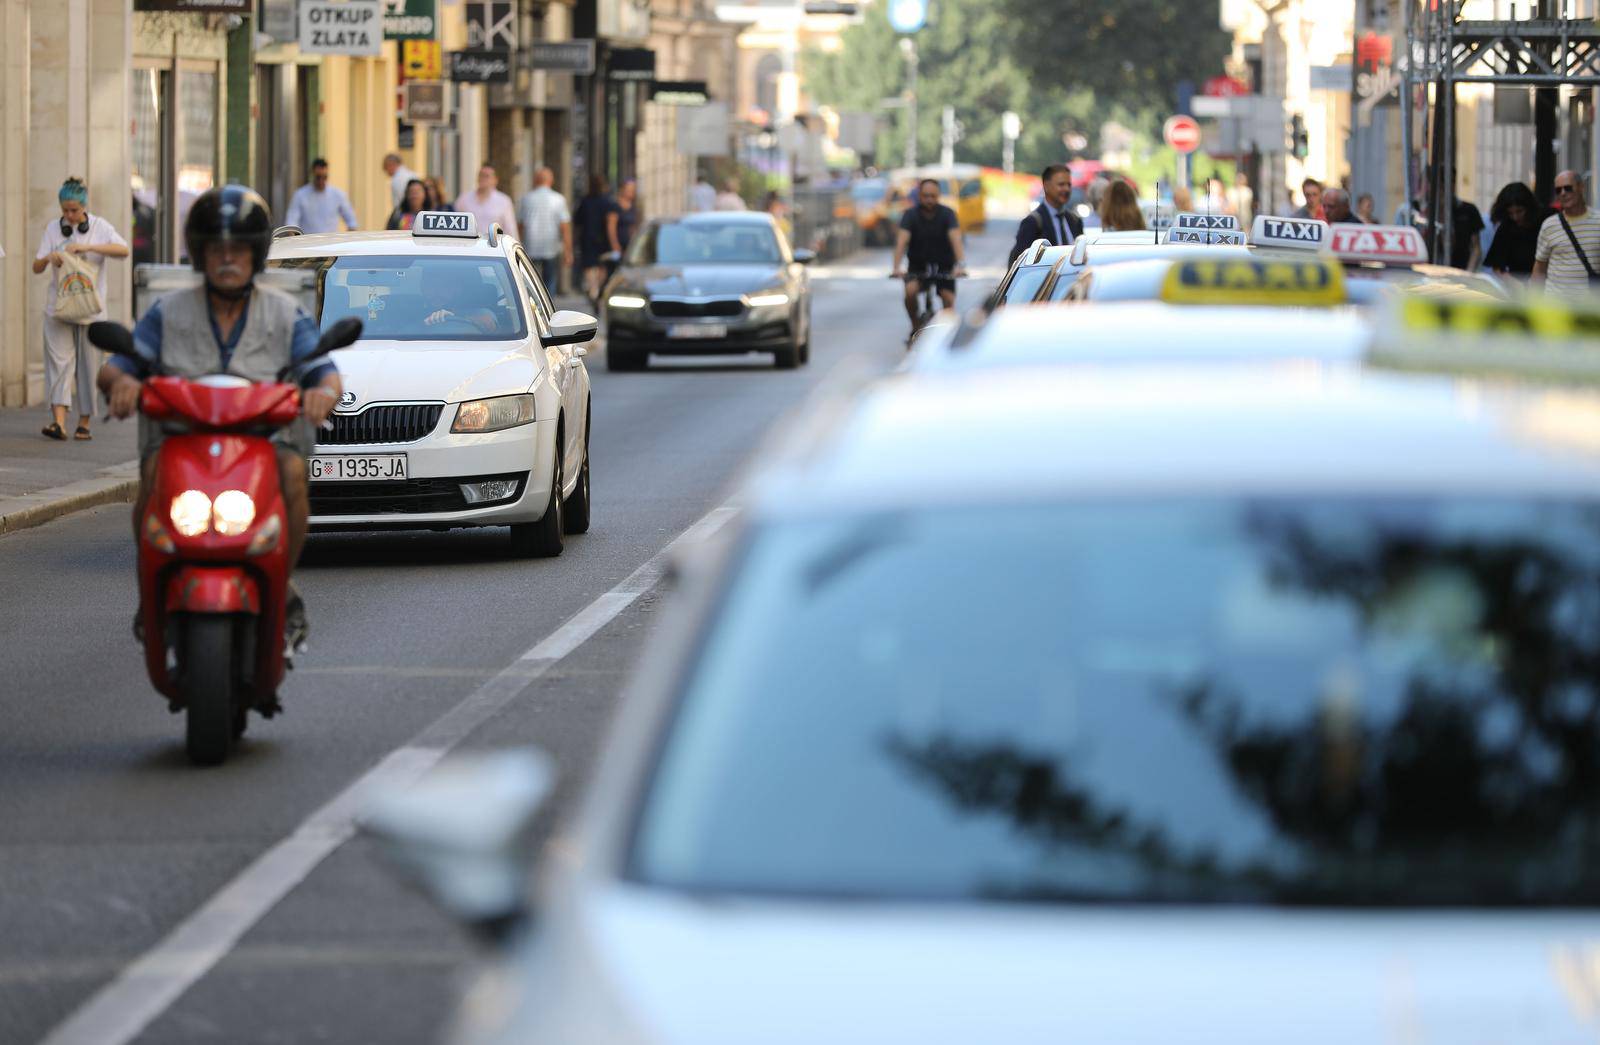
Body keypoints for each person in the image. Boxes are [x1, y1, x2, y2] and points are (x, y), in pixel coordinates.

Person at [98, 184, 341, 633]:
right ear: (199, 255)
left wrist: (323, 391)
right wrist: (124, 383)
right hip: (180, 436)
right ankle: (150, 590)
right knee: (151, 480)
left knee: (292, 475)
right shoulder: (168, 311)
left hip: (264, 439)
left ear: (255, 255)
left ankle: (283, 585)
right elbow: (118, 364)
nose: (227, 259)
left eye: (238, 250)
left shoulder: (286, 312)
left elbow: (322, 369)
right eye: (216, 250)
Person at [32, 176, 129, 442]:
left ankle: (84, 423)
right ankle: (59, 422)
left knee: (89, 367)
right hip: (58, 308)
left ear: (85, 207)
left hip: (90, 310)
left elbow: (123, 250)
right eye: (65, 210)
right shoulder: (53, 229)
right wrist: (48, 258)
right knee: (58, 364)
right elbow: (36, 266)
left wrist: (88, 246)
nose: (69, 216)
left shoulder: (100, 227)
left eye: (74, 210)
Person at [892, 178, 966, 334]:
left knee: (948, 299)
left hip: (944, 266)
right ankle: (914, 324)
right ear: (919, 196)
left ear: (938, 196)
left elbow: (956, 240)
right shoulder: (910, 215)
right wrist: (896, 267)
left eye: (933, 196)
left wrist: (960, 265)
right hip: (917, 266)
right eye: (926, 196)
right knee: (910, 292)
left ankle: (946, 332)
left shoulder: (948, 214)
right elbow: (901, 242)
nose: (929, 200)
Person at [1534, 170, 1600, 298]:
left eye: (1568, 188)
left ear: (1581, 187)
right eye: (1558, 190)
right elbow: (1539, 269)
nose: (1563, 193)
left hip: (1590, 308)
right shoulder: (1549, 225)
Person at [1009, 164, 1081, 265]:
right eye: (1061, 184)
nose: (1066, 189)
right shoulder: (1032, 222)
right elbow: (1020, 264)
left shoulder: (1075, 220)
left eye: (1069, 185)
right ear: (1046, 186)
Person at [517, 166, 572, 292]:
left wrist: (518, 245)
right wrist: (568, 252)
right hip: (551, 246)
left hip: (530, 246)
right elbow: (564, 227)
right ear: (551, 180)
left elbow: (520, 226)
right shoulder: (559, 199)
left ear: (535, 180)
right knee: (549, 282)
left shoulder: (526, 199)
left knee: (530, 281)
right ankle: (549, 309)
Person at [573, 174, 621, 303]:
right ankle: (598, 288)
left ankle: (592, 288)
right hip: (603, 239)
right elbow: (611, 225)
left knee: (589, 265)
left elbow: (578, 222)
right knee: (602, 265)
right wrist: (614, 243)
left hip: (587, 238)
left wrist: (575, 240)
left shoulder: (585, 201)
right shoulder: (608, 202)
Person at [1483, 181, 1543, 279]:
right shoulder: (1506, 227)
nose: (1515, 217)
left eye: (1519, 211)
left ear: (1529, 207)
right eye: (1510, 213)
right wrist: (1514, 284)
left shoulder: (1544, 221)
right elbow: (1497, 266)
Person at [284, 158, 357, 234]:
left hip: (331, 243)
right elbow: (291, 224)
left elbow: (352, 223)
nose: (321, 181)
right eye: (318, 177)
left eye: (324, 177)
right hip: (308, 243)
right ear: (312, 174)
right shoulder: (300, 195)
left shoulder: (338, 195)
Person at [454, 164, 519, 236]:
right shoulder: (464, 198)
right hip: (468, 245)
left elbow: (510, 229)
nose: (483, 178)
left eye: (487, 176)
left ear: (495, 180)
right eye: (481, 175)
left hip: (493, 245)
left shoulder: (504, 201)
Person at [1450, 196, 1485, 271]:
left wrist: (1469, 270)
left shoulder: (1469, 210)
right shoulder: (1433, 210)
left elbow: (1476, 247)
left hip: (1463, 266)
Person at [614, 179, 640, 256]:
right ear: (623, 190)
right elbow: (611, 228)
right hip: (618, 246)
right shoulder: (615, 206)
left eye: (633, 190)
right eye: (630, 190)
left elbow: (634, 227)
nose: (632, 192)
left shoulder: (633, 208)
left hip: (629, 246)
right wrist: (615, 245)